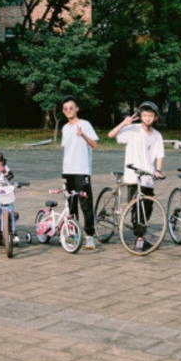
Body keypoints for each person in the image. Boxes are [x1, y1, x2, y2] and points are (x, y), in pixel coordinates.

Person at [108, 101, 166, 252]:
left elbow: (160, 155)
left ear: (155, 118)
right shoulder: (132, 129)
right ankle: (139, 238)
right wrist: (124, 123)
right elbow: (111, 135)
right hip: (133, 175)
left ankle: (140, 234)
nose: (147, 118)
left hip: (148, 176)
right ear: (141, 116)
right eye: (145, 115)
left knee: (147, 207)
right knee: (135, 207)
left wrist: (159, 170)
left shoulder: (157, 135)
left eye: (150, 116)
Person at [59, 97, 99, 249]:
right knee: (70, 205)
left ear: (77, 109)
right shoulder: (65, 128)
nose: (68, 110)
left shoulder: (85, 124)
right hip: (67, 171)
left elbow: (95, 145)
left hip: (82, 171)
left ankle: (89, 236)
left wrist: (83, 135)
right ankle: (73, 234)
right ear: (63, 111)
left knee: (86, 205)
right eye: (65, 108)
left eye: (71, 107)